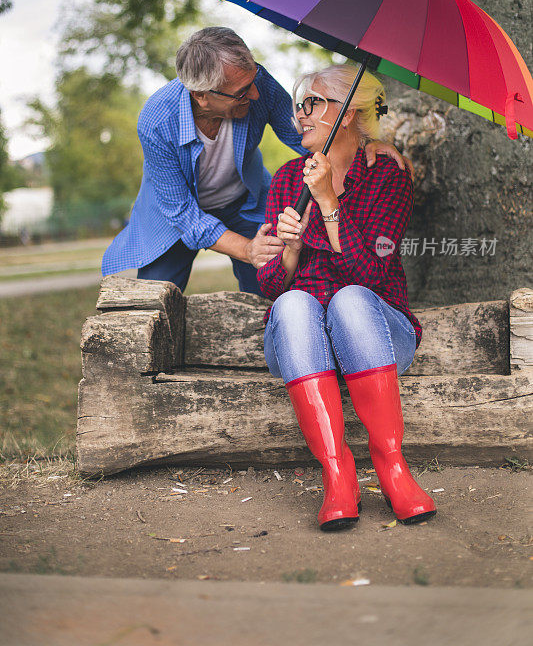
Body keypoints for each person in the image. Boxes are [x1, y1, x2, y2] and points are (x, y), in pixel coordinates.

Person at [257, 63, 436, 531]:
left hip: (376, 335)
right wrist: (290, 251)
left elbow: (372, 275)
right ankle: (338, 475)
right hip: (304, 349)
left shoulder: (386, 175)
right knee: (294, 303)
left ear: (350, 112)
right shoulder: (286, 178)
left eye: (313, 102)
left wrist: (328, 205)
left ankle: (393, 469)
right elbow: (273, 288)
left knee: (351, 298)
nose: (300, 114)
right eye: (299, 104)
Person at [102, 27, 413, 294]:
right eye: (240, 93)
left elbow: (307, 135)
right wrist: (246, 249)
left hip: (246, 203)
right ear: (201, 95)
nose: (254, 95)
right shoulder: (157, 121)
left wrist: (367, 142)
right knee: (153, 302)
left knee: (269, 289)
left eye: (253, 81)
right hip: (176, 215)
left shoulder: (257, 84)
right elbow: (184, 215)